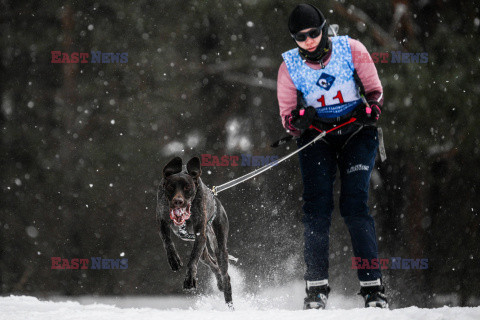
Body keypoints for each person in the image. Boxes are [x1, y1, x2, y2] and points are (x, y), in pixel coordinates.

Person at [277, 4, 388, 309]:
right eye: (301, 37)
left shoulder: (352, 49)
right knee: (316, 209)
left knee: (354, 205)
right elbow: (288, 118)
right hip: (318, 138)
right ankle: (316, 290)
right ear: (294, 39)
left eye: (314, 33)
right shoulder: (288, 67)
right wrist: (298, 120)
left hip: (356, 133)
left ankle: (373, 290)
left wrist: (371, 109)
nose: (309, 40)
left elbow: (375, 91)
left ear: (324, 28)